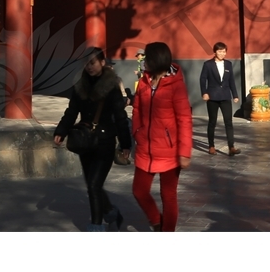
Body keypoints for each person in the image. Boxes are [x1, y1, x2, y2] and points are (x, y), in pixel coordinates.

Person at [54, 45, 132, 230]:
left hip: (105, 142)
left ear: (102, 63)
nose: (89, 67)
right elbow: (72, 111)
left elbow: (120, 117)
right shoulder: (81, 85)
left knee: (94, 185)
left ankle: (96, 227)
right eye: (86, 63)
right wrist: (61, 130)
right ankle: (111, 212)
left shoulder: (111, 86)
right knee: (92, 184)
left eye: (93, 62)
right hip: (85, 141)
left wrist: (125, 143)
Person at [130, 40, 193, 231]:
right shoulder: (144, 81)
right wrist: (137, 132)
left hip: (170, 151)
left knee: (168, 195)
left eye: (147, 57)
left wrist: (184, 152)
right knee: (139, 191)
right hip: (145, 148)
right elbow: (137, 109)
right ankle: (157, 222)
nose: (144, 61)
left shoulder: (176, 85)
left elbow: (184, 119)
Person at [199, 40, 240, 156]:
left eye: (224, 51)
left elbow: (231, 80)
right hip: (212, 96)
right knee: (212, 122)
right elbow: (203, 79)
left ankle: (231, 147)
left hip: (225, 96)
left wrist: (235, 95)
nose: (222, 53)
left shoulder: (228, 64)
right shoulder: (208, 65)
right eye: (220, 51)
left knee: (229, 122)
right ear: (215, 52)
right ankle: (211, 146)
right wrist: (204, 93)